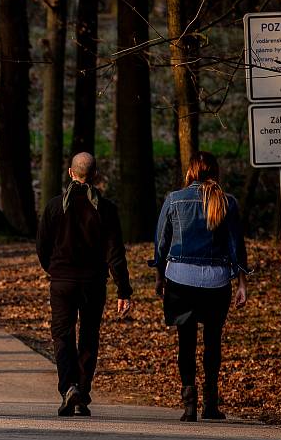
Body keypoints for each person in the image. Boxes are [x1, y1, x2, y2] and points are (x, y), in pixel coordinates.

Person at [152, 151, 248, 422]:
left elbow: (161, 244)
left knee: (186, 341)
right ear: (215, 171)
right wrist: (242, 283)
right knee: (212, 342)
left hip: (180, 279)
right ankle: (211, 403)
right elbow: (236, 246)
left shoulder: (174, 199)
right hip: (217, 281)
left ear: (191, 171)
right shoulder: (227, 202)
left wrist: (159, 276)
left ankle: (189, 403)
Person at [36, 152, 132, 417]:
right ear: (96, 175)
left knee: (63, 335)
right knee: (89, 335)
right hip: (93, 282)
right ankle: (82, 391)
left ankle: (68, 386)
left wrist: (53, 269)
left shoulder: (55, 206)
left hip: (62, 282)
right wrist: (123, 289)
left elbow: (42, 246)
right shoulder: (106, 208)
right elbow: (115, 253)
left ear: (70, 173)